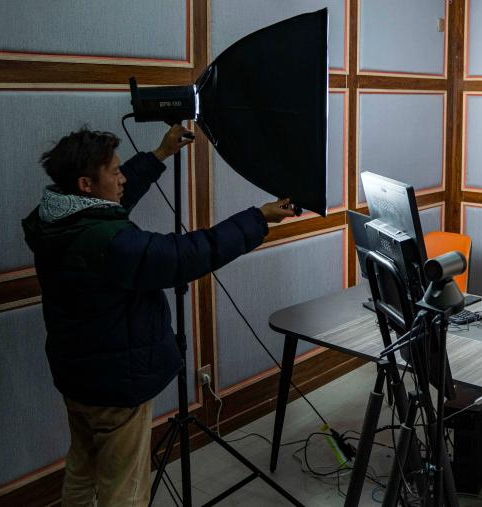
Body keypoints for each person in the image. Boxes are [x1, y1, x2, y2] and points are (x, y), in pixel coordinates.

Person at [22, 125, 295, 506]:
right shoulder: (111, 242)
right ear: (86, 184)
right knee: (125, 489)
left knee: (83, 468)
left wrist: (160, 154)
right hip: (117, 386)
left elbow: (112, 202)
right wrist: (258, 218)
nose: (122, 178)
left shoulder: (54, 218)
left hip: (77, 376)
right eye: (114, 172)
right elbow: (184, 255)